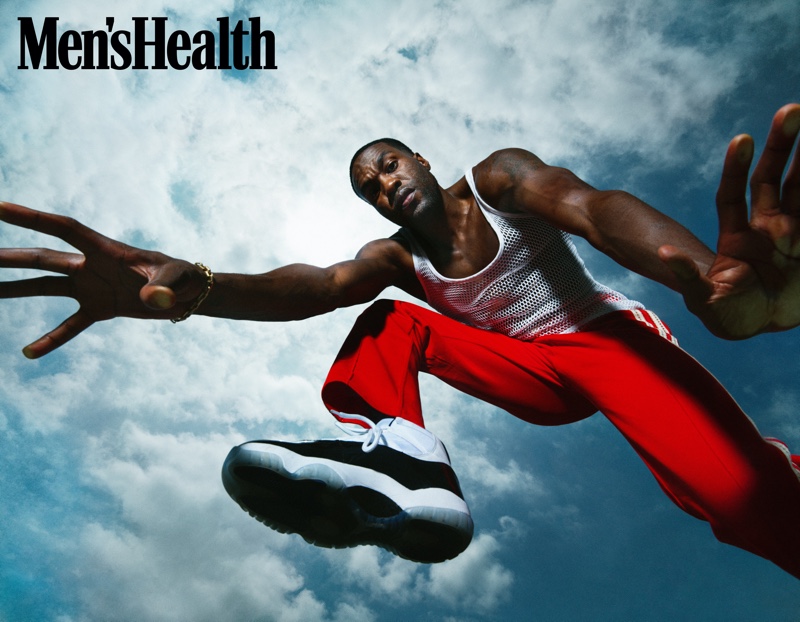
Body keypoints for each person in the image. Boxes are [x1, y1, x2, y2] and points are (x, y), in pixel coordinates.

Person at [1, 104, 799, 573]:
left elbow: (590, 207)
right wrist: (197, 288)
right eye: (370, 186)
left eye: (388, 162)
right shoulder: (397, 258)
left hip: (602, 341)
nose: (385, 181)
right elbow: (314, 288)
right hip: (529, 375)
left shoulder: (495, 180)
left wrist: (694, 266)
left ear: (421, 156)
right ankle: (404, 458)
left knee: (744, 504)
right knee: (389, 318)